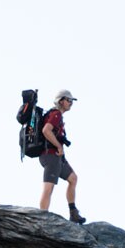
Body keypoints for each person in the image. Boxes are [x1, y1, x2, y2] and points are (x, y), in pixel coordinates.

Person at [38, 90, 84, 223]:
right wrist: (58, 146)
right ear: (61, 101)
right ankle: (42, 217)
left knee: (73, 178)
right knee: (49, 187)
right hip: (51, 156)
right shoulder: (56, 114)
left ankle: (73, 212)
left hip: (56, 157)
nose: (71, 103)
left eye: (71, 101)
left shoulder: (56, 115)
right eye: (69, 100)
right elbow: (46, 130)